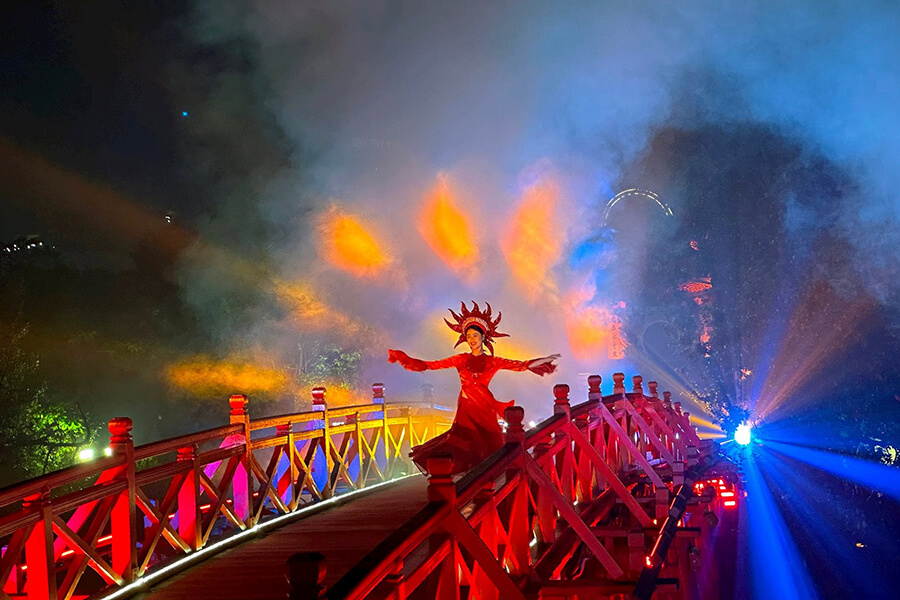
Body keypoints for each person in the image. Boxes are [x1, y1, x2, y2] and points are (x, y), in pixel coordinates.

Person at [388, 301, 560, 474]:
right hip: (467, 407)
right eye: (468, 336)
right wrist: (406, 359)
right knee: (463, 442)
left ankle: (492, 478)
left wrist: (544, 359)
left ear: (483, 337)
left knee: (491, 444)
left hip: (485, 407)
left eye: (475, 336)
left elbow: (521, 365)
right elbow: (432, 365)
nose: (471, 340)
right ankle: (469, 478)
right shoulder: (461, 359)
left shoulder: (493, 361)